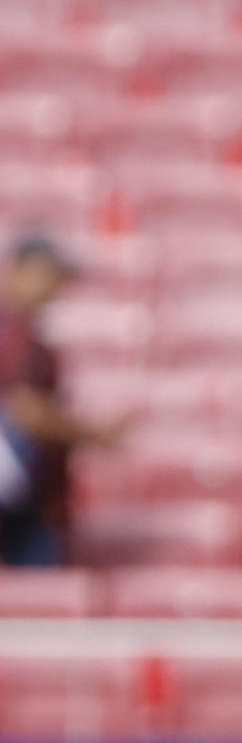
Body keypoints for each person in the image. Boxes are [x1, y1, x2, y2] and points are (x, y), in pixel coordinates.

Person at [0, 234, 133, 566]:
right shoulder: (15, 334)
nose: (53, 287)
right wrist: (94, 434)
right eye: (45, 274)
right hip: (19, 505)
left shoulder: (26, 334)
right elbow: (27, 410)